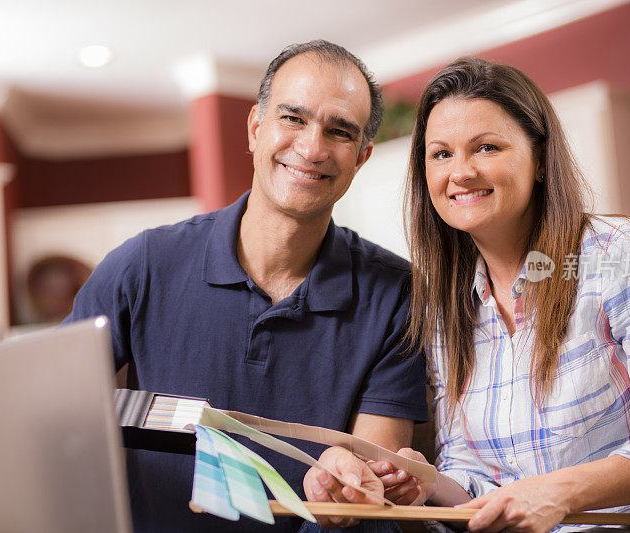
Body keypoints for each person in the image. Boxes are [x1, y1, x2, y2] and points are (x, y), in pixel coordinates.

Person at [64, 40, 427, 533]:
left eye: (338, 131)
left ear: (360, 158)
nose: (313, 147)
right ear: (256, 128)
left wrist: (351, 495)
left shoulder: (396, 294)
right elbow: (51, 414)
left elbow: (366, 485)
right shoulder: (144, 264)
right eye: (293, 119)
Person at [370, 56, 630, 532]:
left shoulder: (623, 254)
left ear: (541, 160)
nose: (460, 172)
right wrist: (430, 483)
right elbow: (479, 476)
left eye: (486, 147)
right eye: (441, 154)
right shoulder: (447, 307)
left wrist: (559, 493)